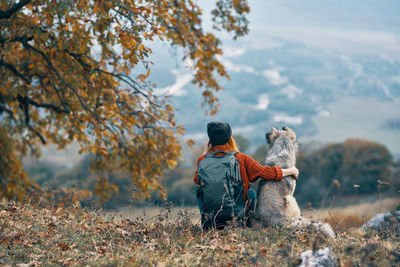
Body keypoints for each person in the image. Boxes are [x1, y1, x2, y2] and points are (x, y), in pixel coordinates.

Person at [194, 121, 299, 229]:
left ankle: (206, 223)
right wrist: (291, 171)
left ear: (210, 140)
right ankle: (244, 222)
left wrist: (204, 155)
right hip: (236, 217)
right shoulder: (240, 158)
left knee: (199, 188)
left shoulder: (202, 160)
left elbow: (197, 180)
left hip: (211, 220)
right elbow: (267, 173)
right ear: (229, 138)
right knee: (251, 193)